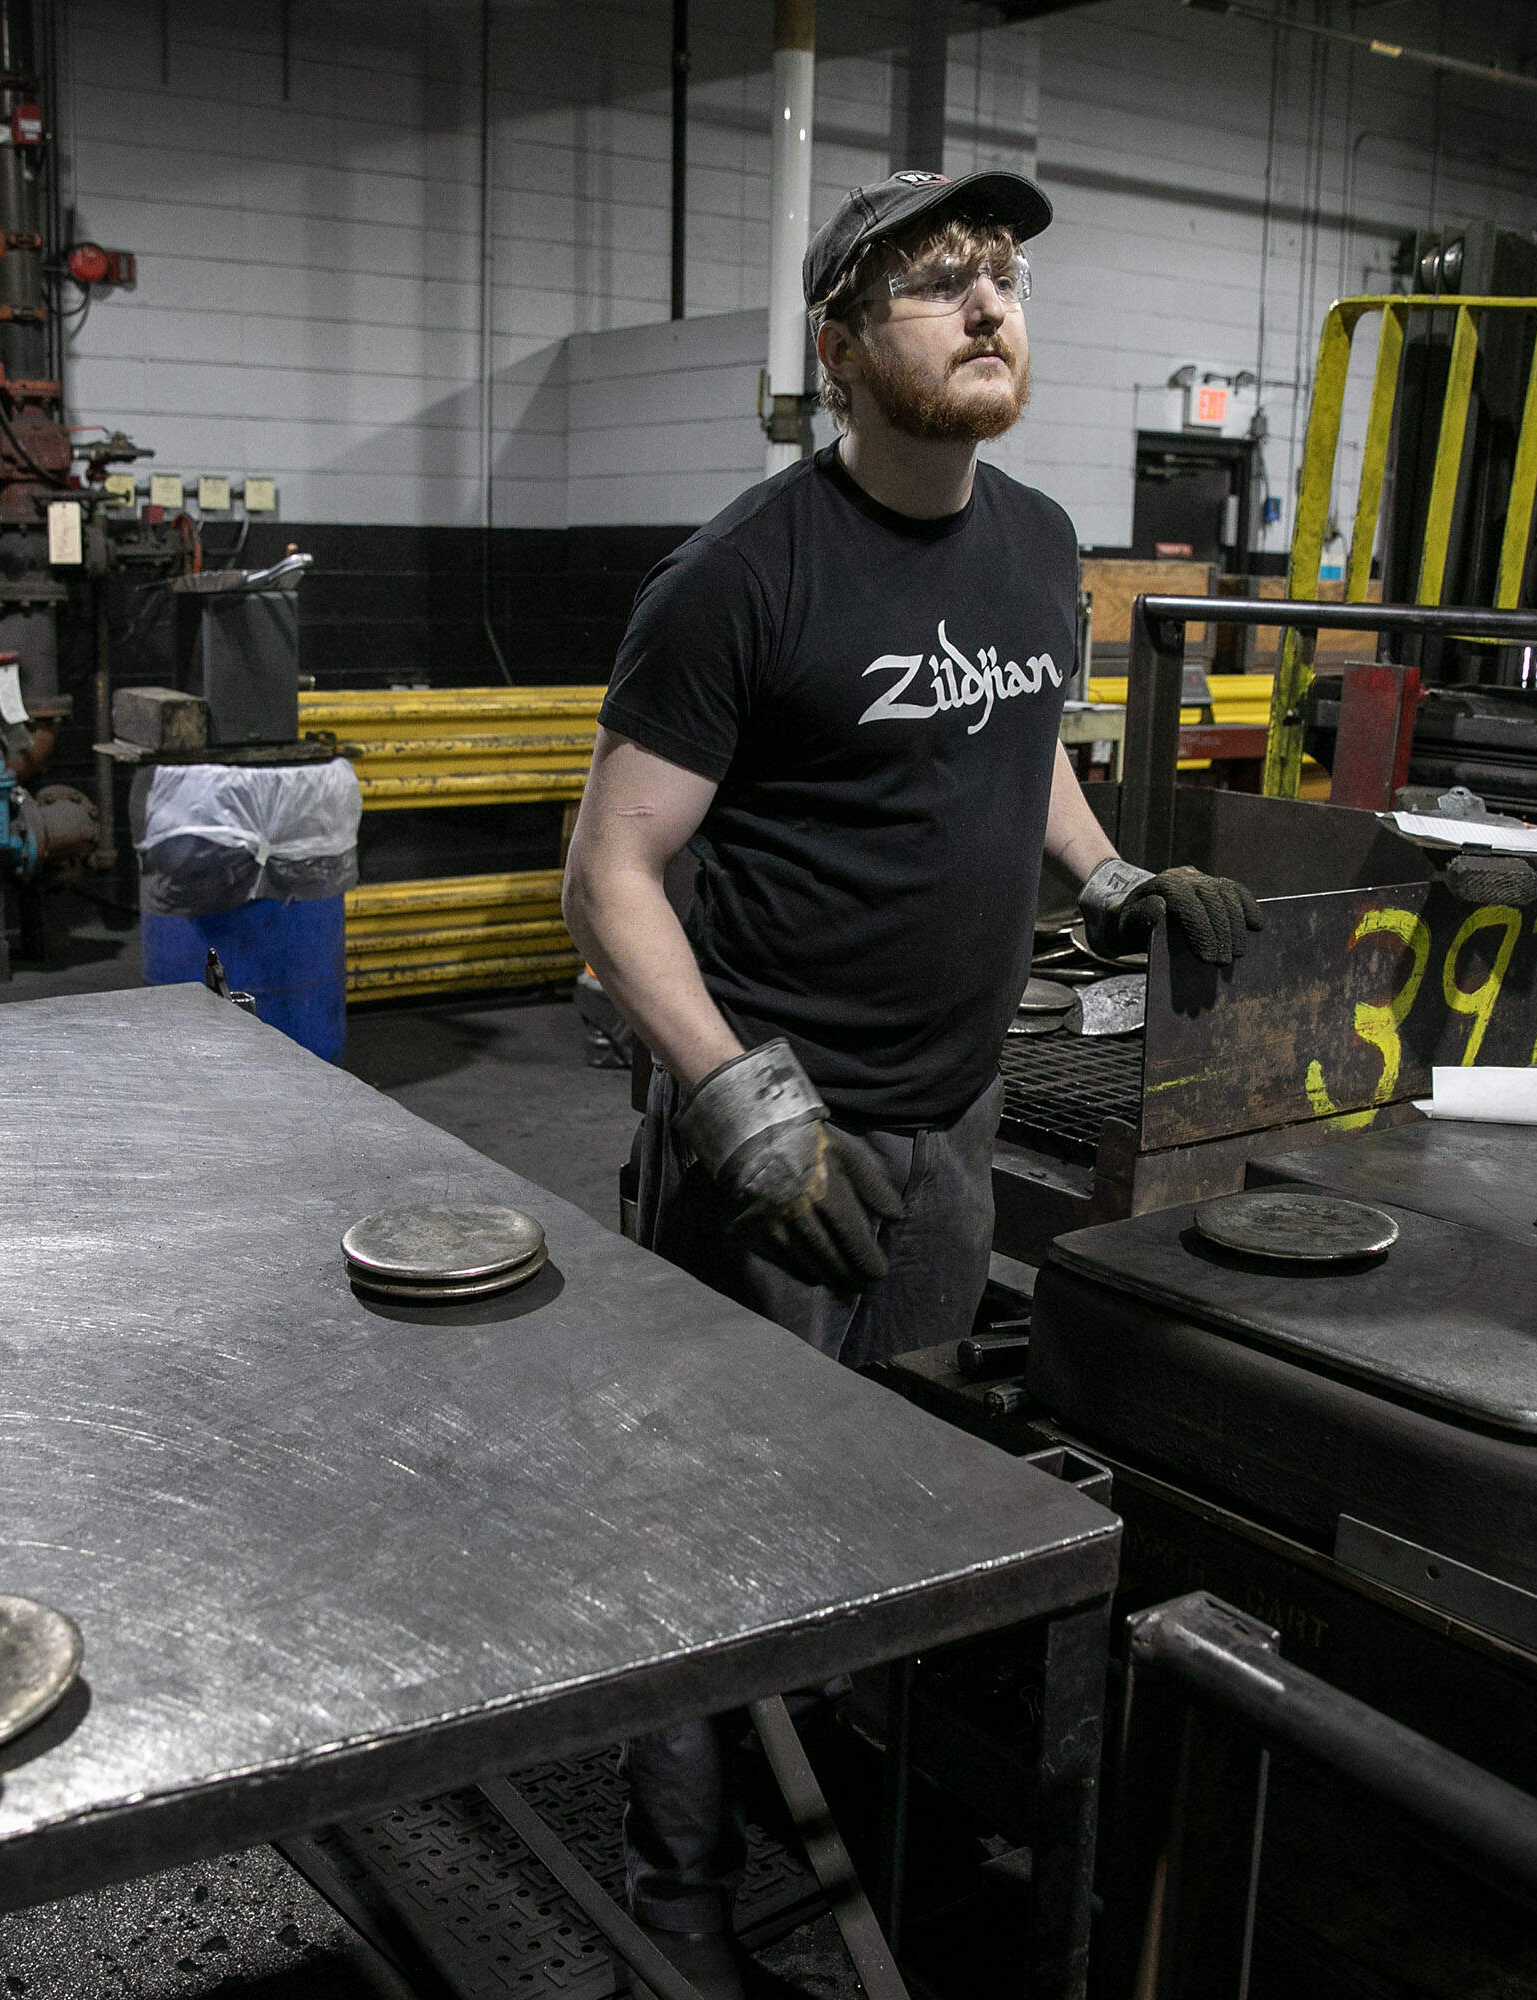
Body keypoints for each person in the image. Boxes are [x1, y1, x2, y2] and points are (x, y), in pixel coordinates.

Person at [562, 167, 1264, 1995]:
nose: (986, 304)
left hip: (950, 1127)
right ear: (839, 346)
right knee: (713, 1528)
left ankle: (870, 1809)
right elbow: (610, 876)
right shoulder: (740, 577)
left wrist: (1102, 877)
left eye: (1007, 276)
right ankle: (682, 1895)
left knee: (899, 1494)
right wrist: (738, 1107)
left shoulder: (1039, 542)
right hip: (774, 1145)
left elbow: (1013, 732)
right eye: (938, 279)